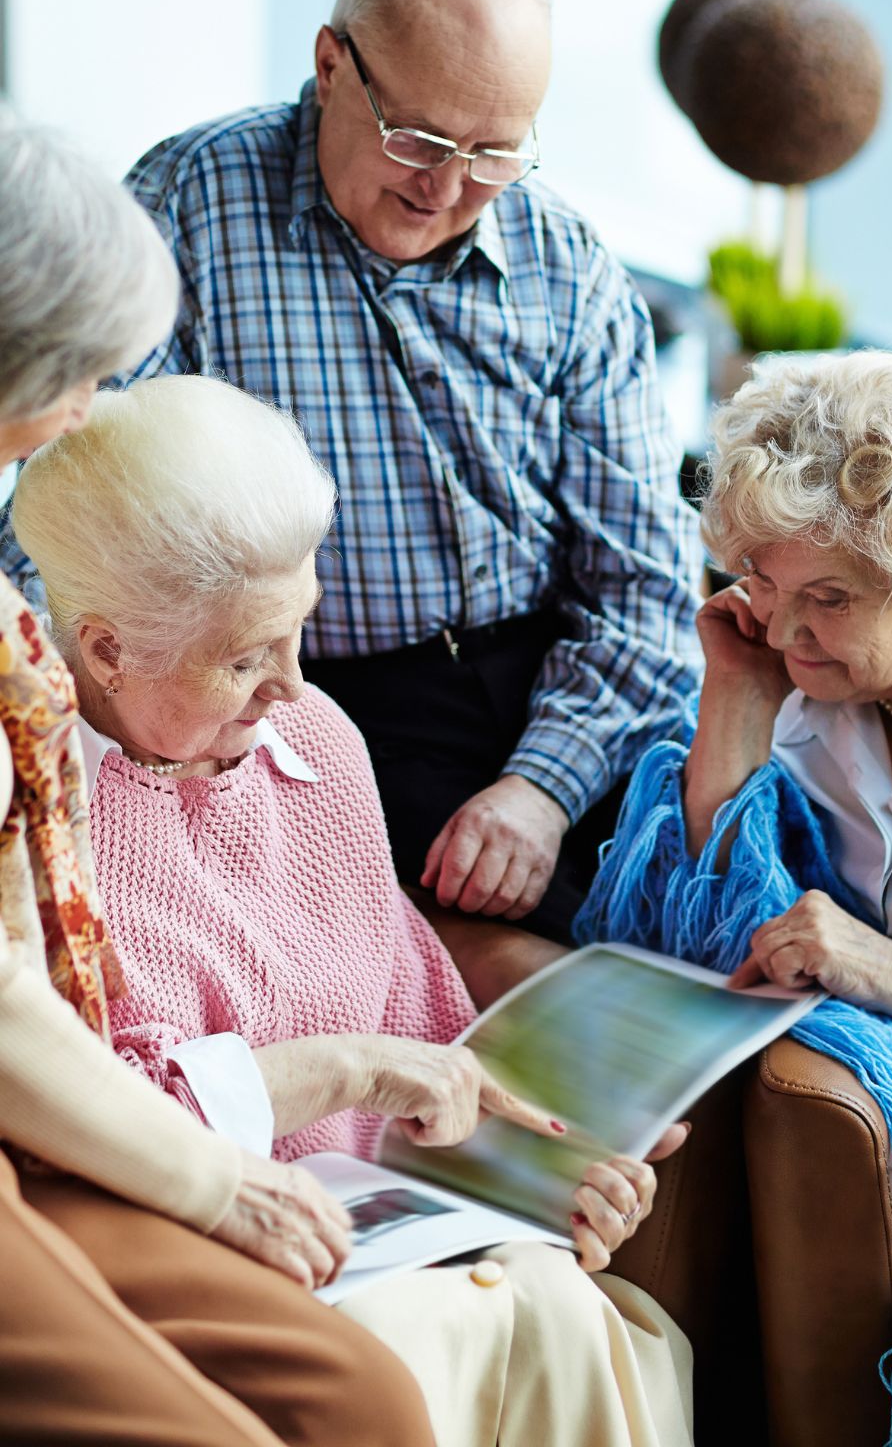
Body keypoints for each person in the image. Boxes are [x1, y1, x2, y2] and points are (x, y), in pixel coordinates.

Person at [12, 371, 695, 1447]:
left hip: (382, 1232)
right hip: (200, 1253)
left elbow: (418, 1032)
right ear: (104, 649)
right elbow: (82, 1123)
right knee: (469, 1333)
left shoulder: (319, 740)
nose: (295, 684)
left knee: (555, 1297)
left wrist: (536, 1171)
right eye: (244, 657)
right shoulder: (42, 815)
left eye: (299, 631)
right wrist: (349, 1069)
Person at [37, 0, 699, 940]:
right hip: (320, 697)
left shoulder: (566, 260)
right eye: (419, 140)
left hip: (564, 684)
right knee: (542, 963)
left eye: (492, 153)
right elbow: (68, 515)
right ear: (330, 65)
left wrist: (542, 786)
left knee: (706, 932)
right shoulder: (185, 211)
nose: (444, 190)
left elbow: (645, 588)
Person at [0, 120, 435, 1447]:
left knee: (360, 1400)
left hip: (37, 1122)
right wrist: (212, 1183)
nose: (89, 410)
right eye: (77, 371)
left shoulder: (321, 756)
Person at [576, 349, 892, 1447]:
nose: (785, 631)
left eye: (829, 599)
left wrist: (882, 968)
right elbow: (688, 950)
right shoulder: (797, 674)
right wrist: (735, 708)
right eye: (762, 581)